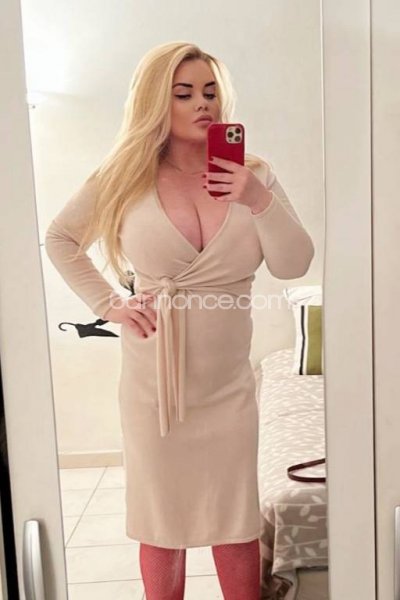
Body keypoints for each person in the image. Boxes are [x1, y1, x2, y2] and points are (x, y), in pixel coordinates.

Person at [45, 41, 315, 600]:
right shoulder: (124, 175)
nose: (203, 104)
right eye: (184, 93)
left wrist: (258, 200)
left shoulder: (253, 174)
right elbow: (61, 238)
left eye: (210, 92)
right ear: (155, 102)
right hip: (153, 387)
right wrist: (109, 305)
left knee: (235, 524)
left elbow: (294, 265)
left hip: (227, 387)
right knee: (160, 525)